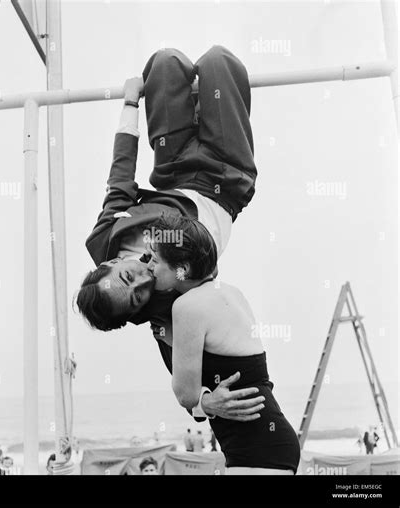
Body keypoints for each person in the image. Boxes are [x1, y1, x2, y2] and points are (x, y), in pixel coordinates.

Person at [77, 46, 263, 423]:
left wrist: (130, 103)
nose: (144, 279)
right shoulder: (166, 312)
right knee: (218, 62)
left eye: (128, 276)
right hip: (223, 181)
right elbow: (185, 380)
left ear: (110, 262)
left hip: (175, 169)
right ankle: (207, 107)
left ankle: (191, 105)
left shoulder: (103, 239)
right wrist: (202, 405)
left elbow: (120, 176)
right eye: (138, 298)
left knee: (165, 63)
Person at [148, 214, 301, 474]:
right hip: (269, 443)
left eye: (155, 259)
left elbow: (186, 394)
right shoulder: (230, 292)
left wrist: (204, 403)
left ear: (181, 268)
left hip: (255, 453)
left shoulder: (187, 306)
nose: (149, 265)